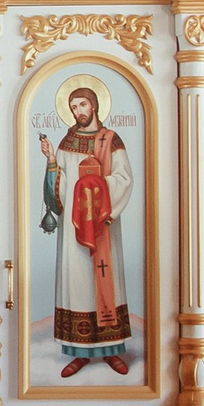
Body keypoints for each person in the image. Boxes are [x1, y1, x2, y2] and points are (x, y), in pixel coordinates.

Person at [38, 86, 134, 377]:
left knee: (106, 282)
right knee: (77, 286)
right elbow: (62, 183)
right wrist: (52, 160)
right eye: (74, 107)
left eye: (82, 105)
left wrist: (97, 190)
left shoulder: (110, 140)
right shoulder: (68, 140)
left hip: (103, 224)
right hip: (74, 229)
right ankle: (78, 353)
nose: (78, 111)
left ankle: (112, 351)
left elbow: (124, 179)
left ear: (94, 105)